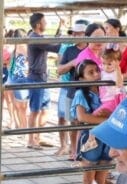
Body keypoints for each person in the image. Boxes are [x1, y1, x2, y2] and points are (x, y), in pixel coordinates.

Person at [71, 60, 112, 184]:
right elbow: (82, 117)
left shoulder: (106, 91)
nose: (96, 74)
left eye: (97, 70)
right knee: (89, 181)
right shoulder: (81, 94)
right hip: (91, 140)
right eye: (91, 73)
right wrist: (106, 120)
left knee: (101, 180)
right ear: (82, 79)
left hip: (106, 139)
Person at [26, 13, 63, 149]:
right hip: (36, 78)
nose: (46, 24)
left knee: (44, 109)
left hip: (42, 77)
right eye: (45, 21)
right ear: (38, 25)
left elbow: (52, 43)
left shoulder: (39, 38)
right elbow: (55, 47)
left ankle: (38, 137)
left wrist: (60, 30)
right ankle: (31, 140)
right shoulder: (35, 39)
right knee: (35, 110)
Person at [56, 19, 89, 156]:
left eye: (77, 34)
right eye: (73, 34)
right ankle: (74, 151)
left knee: (86, 122)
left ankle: (85, 152)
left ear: (84, 34)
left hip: (88, 92)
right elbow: (59, 70)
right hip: (72, 91)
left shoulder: (92, 49)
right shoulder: (69, 50)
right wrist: (71, 63)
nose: (74, 36)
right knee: (73, 122)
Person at [9, 29, 30, 130]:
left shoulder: (16, 47)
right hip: (22, 77)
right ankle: (24, 128)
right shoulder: (22, 46)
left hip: (17, 76)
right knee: (23, 107)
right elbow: (31, 58)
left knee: (20, 106)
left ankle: (22, 127)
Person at [96, 48, 126, 115]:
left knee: (95, 115)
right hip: (104, 100)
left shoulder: (116, 73)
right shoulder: (103, 72)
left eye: (109, 64)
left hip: (112, 100)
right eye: (103, 63)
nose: (106, 66)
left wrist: (118, 69)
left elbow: (119, 84)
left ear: (118, 62)